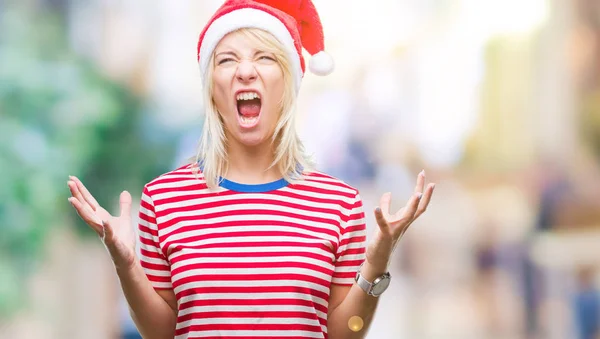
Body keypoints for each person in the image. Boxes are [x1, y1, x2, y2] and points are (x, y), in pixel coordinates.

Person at [67, 1, 435, 338]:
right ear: (211, 88)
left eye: (265, 57)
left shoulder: (338, 205)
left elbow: (346, 333)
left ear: (289, 83)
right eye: (226, 60)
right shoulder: (163, 201)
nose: (245, 70)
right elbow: (161, 333)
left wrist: (375, 263)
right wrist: (126, 264)